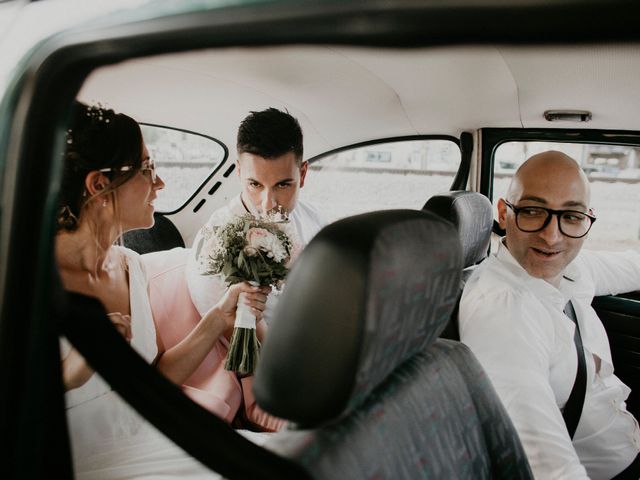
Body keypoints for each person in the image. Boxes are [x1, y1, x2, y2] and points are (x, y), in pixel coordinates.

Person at [57, 101, 270, 478]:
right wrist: (69, 374)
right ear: (99, 185)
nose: (160, 183)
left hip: (147, 438)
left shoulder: (130, 267)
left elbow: (154, 380)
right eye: (146, 169)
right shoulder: (23, 280)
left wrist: (220, 315)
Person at [459, 150, 640, 479]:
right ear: (504, 212)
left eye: (570, 216)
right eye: (532, 211)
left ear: (586, 221)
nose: (551, 236)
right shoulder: (503, 311)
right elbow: (548, 468)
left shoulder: (570, 269)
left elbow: (633, 265)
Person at [186, 107, 327, 323]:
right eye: (255, 184)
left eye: (283, 185)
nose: (268, 204)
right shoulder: (212, 247)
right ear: (239, 172)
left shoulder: (314, 219)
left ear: (303, 174)